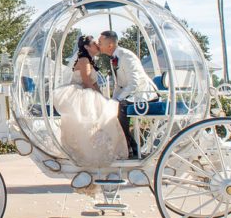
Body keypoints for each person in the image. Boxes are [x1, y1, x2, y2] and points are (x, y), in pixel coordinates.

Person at [51, 35, 128, 167]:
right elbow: (86, 82)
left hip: (88, 91)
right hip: (80, 93)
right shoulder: (84, 60)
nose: (97, 46)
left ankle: (101, 149)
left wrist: (102, 97)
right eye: (94, 44)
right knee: (90, 121)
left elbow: (93, 82)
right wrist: (99, 97)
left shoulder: (90, 60)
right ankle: (86, 152)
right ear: (87, 47)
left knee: (104, 115)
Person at [97, 30, 159, 158]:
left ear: (110, 45)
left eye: (100, 42)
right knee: (112, 109)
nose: (98, 45)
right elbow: (119, 85)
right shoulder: (113, 58)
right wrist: (112, 100)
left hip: (145, 94)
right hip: (132, 95)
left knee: (121, 108)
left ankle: (129, 148)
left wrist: (117, 100)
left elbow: (134, 83)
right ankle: (127, 146)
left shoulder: (126, 56)